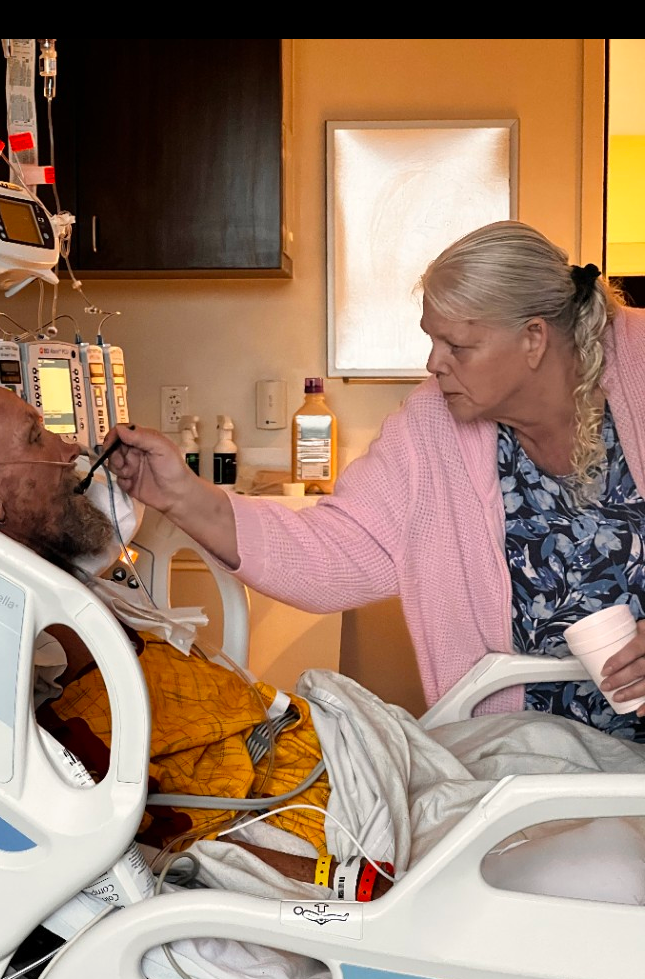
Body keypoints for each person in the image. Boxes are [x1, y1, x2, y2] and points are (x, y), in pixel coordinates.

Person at [103, 221, 645, 740]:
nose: (433, 363)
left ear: (533, 339)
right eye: (432, 340)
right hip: (527, 750)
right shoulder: (431, 426)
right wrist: (180, 494)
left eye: (457, 345)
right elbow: (333, 551)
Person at [0, 377, 392, 901]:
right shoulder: (16, 666)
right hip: (315, 820)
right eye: (37, 436)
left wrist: (169, 488)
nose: (71, 448)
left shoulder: (63, 586)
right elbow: (154, 844)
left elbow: (110, 526)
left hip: (321, 749)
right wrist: (339, 879)